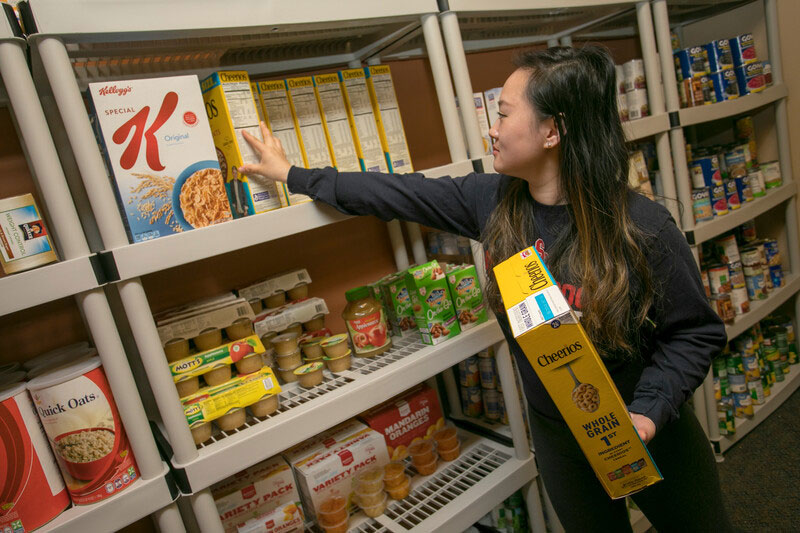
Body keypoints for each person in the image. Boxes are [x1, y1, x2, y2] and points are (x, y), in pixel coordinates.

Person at [240, 45, 732, 532]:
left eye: (502, 113)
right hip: (559, 434)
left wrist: (646, 414)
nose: (491, 129)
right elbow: (395, 193)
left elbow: (695, 334)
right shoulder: (492, 202)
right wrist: (292, 175)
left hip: (646, 426)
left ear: (552, 131)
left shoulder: (641, 226)